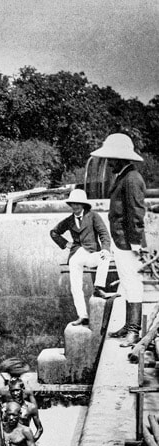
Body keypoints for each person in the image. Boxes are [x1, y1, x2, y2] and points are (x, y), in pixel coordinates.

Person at [91, 133, 148, 346]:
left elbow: (136, 213)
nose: (109, 162)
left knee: (133, 283)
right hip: (121, 241)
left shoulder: (132, 179)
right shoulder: (124, 176)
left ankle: (134, 331)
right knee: (125, 283)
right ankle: (127, 325)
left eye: (111, 159)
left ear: (121, 159)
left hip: (128, 242)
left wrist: (135, 244)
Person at [50, 189, 115, 327]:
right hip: (77, 254)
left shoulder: (93, 216)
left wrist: (104, 249)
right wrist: (66, 244)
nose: (75, 207)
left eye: (78, 204)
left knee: (106, 257)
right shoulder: (69, 220)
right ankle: (82, 315)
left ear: (84, 205)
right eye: (73, 204)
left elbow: (104, 234)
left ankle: (98, 288)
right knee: (75, 284)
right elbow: (54, 232)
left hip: (92, 253)